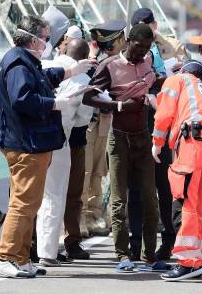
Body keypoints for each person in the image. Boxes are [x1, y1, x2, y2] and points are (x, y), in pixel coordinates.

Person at [0, 15, 91, 278]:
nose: (48, 43)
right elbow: (22, 98)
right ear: (34, 39)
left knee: (31, 202)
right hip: (24, 142)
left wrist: (71, 71)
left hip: (31, 141)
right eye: (46, 38)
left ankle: (21, 256)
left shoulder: (25, 61)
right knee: (24, 202)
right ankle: (6, 256)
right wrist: (55, 104)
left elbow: (44, 77)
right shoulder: (18, 64)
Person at [83, 23, 165, 273]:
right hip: (118, 138)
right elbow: (88, 96)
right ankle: (122, 255)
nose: (142, 52)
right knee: (119, 200)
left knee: (150, 199)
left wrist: (154, 92)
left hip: (144, 137)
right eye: (139, 46)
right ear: (128, 41)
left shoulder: (148, 61)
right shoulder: (109, 65)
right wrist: (118, 106)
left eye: (147, 48)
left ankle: (149, 256)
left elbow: (156, 82)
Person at [152, 60, 202, 281]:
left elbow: (164, 113)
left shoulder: (177, 79)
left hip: (194, 142)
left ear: (183, 71)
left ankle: (188, 264)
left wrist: (157, 142)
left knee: (186, 202)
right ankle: (195, 261)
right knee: (197, 204)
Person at [127, 7, 185, 260]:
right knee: (136, 188)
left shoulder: (170, 48)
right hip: (135, 128)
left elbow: (177, 83)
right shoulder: (124, 55)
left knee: (163, 186)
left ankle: (168, 240)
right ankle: (136, 243)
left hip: (161, 125)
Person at [35, 33, 94, 265]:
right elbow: (82, 120)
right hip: (60, 140)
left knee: (29, 195)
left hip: (31, 138)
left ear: (64, 50)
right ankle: (47, 252)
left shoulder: (44, 65)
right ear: (85, 58)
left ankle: (25, 247)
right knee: (54, 195)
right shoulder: (83, 80)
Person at [81, 20, 127, 237]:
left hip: (104, 123)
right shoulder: (93, 63)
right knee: (85, 170)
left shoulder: (116, 61)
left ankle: (95, 214)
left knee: (99, 171)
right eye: (121, 39)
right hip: (90, 124)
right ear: (113, 41)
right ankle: (82, 217)